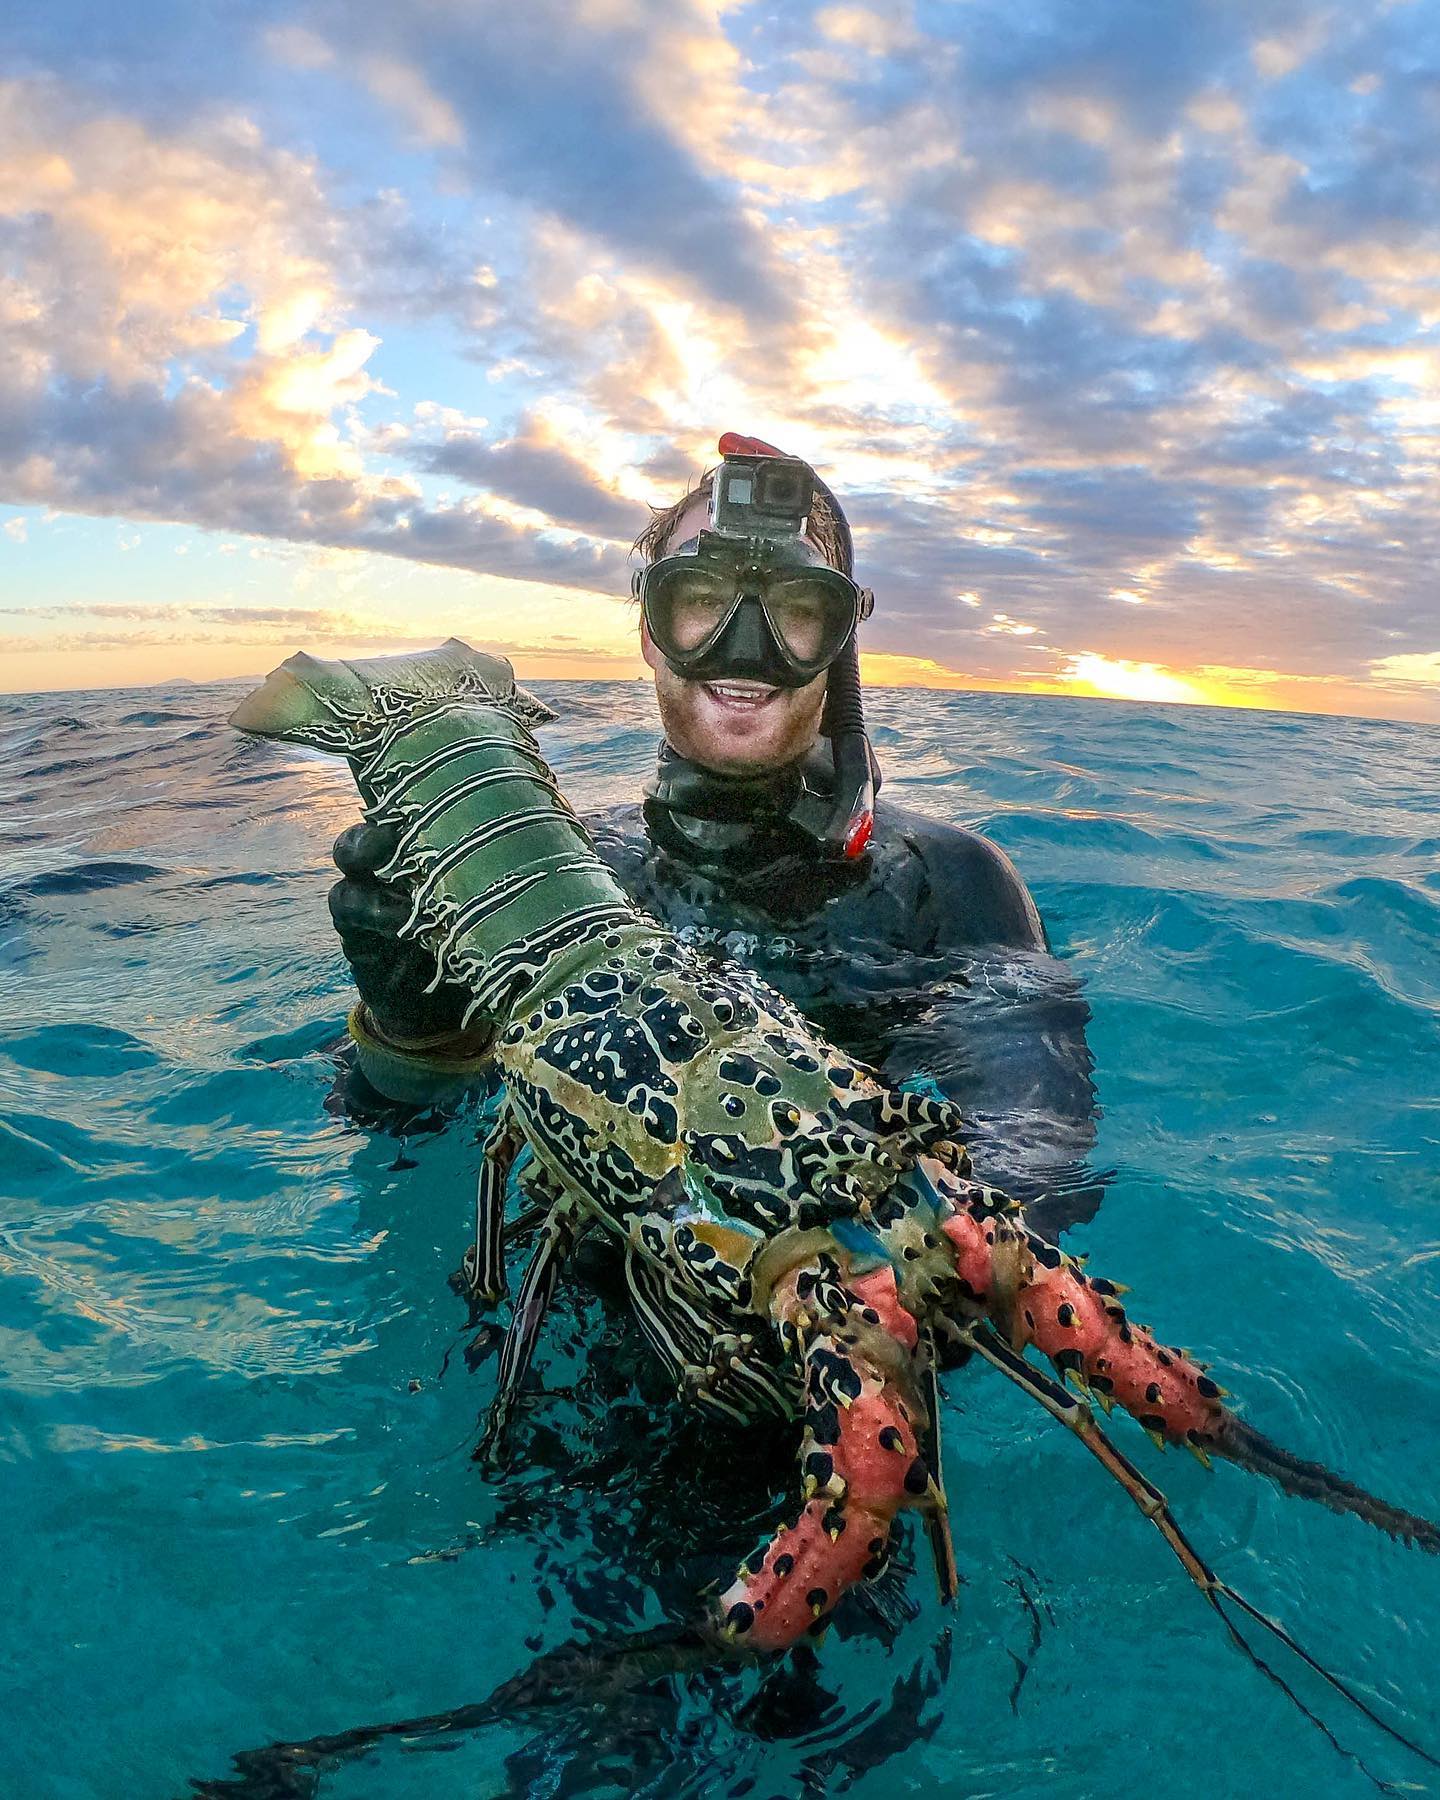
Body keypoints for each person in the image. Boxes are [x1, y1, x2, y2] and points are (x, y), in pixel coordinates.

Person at [329, 436, 1100, 1231]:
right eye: (700, 597)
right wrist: (410, 1040)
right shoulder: (555, 874)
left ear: (837, 645)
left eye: (796, 608)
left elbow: (1036, 1178)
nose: (746, 645)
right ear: (649, 631)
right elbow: (395, 1145)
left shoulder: (949, 883)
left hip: (838, 1303)